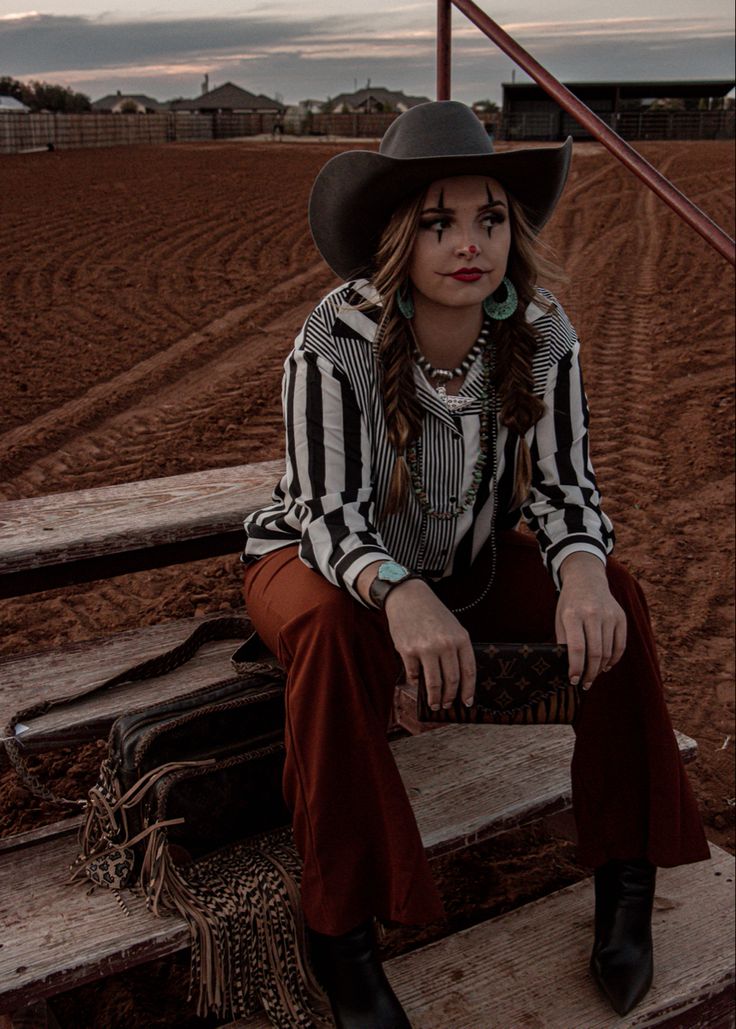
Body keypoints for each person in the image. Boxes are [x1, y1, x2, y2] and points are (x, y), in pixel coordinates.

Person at [241, 101, 710, 1028]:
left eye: (490, 218)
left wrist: (579, 569)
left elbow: (567, 487)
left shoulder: (540, 332)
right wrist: (403, 593)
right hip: (321, 568)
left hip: (469, 565)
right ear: (394, 236)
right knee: (335, 634)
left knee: (616, 595)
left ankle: (625, 882)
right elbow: (327, 516)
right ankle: (342, 935)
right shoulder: (331, 342)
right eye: (438, 221)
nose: (471, 244)